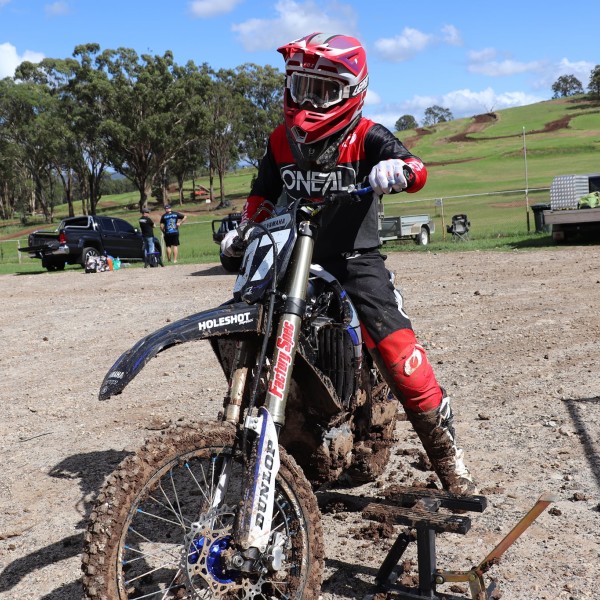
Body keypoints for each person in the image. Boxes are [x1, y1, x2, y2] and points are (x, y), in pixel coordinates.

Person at [221, 32, 476, 494]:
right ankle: (251, 437)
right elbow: (262, 192)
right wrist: (248, 225)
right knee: (241, 321)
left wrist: (397, 172)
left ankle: (451, 466)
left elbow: (416, 168)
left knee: (400, 356)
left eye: (322, 91)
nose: (308, 102)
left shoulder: (367, 135)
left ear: (351, 91)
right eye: (301, 87)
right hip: (289, 254)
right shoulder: (281, 140)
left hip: (354, 259)